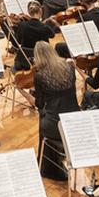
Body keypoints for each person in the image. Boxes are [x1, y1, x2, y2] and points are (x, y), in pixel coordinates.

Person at [31, 40, 78, 181]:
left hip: (56, 125)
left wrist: (26, 93)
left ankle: (48, 167)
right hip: (74, 119)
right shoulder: (69, 67)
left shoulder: (39, 75)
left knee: (43, 116)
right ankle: (58, 156)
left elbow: (39, 104)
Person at [9, 0, 55, 71]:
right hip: (43, 60)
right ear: (40, 11)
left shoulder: (22, 25)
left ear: (29, 12)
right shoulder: (45, 27)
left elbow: (19, 41)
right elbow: (52, 35)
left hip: (25, 61)